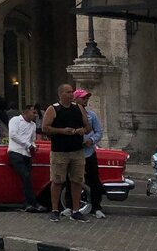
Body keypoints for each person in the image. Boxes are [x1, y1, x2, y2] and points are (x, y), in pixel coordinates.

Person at [41, 84, 91, 222]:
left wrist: (83, 130)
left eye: (72, 92)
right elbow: (45, 127)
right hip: (60, 151)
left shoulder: (78, 108)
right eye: (68, 92)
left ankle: (76, 210)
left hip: (77, 150)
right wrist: (63, 131)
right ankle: (55, 210)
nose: (71, 94)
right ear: (61, 94)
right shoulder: (53, 109)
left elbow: (88, 126)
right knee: (57, 181)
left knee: (77, 180)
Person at [75, 89, 107, 219]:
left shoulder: (91, 115)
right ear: (75, 99)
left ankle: (96, 207)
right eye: (83, 98)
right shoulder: (69, 115)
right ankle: (72, 206)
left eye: (86, 99)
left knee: (94, 180)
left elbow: (99, 131)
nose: (85, 101)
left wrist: (91, 140)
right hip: (73, 152)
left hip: (88, 152)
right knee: (71, 179)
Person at [8, 103, 44, 212]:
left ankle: (28, 203)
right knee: (26, 175)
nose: (35, 115)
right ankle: (32, 202)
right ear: (26, 111)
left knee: (27, 179)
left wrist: (33, 146)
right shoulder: (15, 120)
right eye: (33, 112)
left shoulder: (33, 125)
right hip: (16, 152)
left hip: (27, 154)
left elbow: (31, 139)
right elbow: (13, 135)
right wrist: (27, 145)